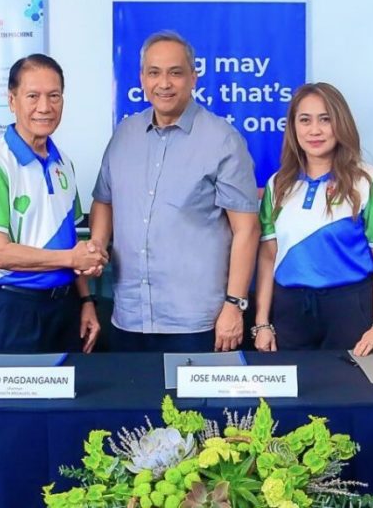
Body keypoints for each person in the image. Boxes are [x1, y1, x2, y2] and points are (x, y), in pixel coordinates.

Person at [90, 31, 260, 352]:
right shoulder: (124, 135)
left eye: (175, 72)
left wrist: (234, 305)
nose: (164, 83)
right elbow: (104, 200)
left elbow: (247, 229)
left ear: (193, 77)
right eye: (154, 72)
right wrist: (97, 244)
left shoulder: (223, 140)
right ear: (142, 78)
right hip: (129, 316)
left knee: (191, 406)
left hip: (197, 321)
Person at [0, 54, 103, 354]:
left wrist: (86, 302)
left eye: (54, 96)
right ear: (12, 100)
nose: (45, 107)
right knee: (12, 402)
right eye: (33, 96)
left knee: (69, 399)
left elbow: (71, 242)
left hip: (64, 308)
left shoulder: (63, 162)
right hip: (13, 310)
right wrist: (72, 259)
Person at [253, 83, 373, 355]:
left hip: (351, 310)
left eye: (325, 119)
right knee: (292, 395)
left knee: (351, 393)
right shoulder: (278, 184)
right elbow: (267, 256)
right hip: (290, 312)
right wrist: (262, 322)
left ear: (341, 124)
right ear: (293, 127)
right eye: (305, 120)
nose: (315, 130)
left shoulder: (368, 180)